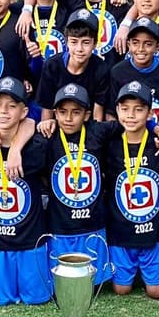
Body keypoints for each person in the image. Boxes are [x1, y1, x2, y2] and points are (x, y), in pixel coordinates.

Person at [0, 77, 50, 306]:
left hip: (31, 239)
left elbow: (31, 125)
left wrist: (16, 148)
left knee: (36, 299)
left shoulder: (37, 146)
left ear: (24, 110)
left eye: (12, 105)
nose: (3, 111)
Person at [104, 82, 159, 297]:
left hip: (154, 234)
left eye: (139, 109)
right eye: (125, 109)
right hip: (121, 232)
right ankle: (129, 268)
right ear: (116, 111)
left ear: (150, 113)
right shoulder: (109, 143)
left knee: (156, 292)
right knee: (121, 289)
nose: (131, 115)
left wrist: (156, 128)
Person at [37, 84, 114, 282]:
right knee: (62, 280)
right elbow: (21, 126)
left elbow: (127, 123)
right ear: (55, 114)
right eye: (62, 112)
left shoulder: (96, 131)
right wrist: (40, 124)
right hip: (60, 226)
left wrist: (153, 127)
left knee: (95, 281)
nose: (68, 118)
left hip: (93, 224)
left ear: (87, 115)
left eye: (76, 112)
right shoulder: (48, 136)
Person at [35, 9, 111, 122]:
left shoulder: (101, 69)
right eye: (74, 42)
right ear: (67, 42)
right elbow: (47, 109)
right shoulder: (52, 66)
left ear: (94, 44)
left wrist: (95, 137)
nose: (79, 49)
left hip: (86, 126)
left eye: (86, 42)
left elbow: (97, 113)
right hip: (59, 124)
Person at [109, 17, 159, 131]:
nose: (141, 49)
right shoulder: (118, 71)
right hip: (127, 138)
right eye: (135, 43)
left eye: (148, 44)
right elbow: (110, 112)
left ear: (157, 47)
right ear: (128, 44)